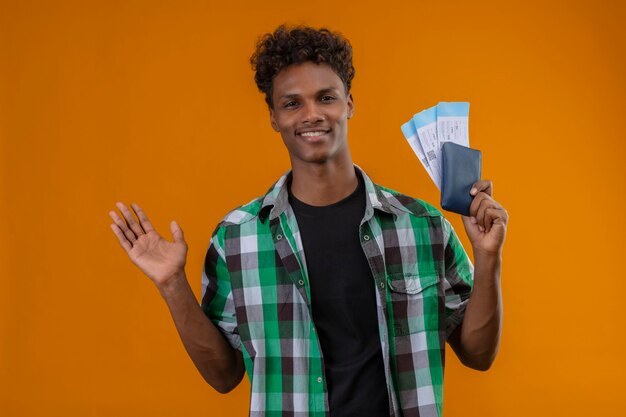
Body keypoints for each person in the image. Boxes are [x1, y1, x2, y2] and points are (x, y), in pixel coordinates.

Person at [109, 25, 508, 417]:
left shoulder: (423, 226)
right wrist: (172, 284)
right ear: (273, 117)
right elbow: (223, 375)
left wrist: (488, 258)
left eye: (326, 97)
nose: (312, 114)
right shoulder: (237, 237)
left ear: (349, 103)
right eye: (292, 103)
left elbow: (478, 354)